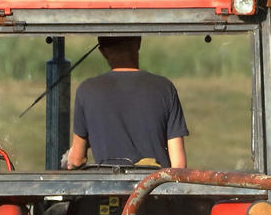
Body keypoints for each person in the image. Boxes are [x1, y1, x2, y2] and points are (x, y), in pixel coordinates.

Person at [64, 36, 188, 170]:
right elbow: (179, 165)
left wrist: (67, 160)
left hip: (109, 188)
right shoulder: (164, 87)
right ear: (138, 43)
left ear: (103, 52)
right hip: (155, 187)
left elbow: (76, 160)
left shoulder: (87, 90)